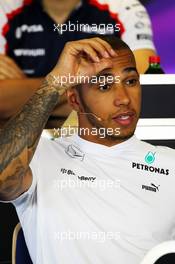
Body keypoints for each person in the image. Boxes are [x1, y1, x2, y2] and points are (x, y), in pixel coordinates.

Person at [1, 36, 173, 264]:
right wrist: (55, 82)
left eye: (131, 81)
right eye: (104, 85)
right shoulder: (41, 158)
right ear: (74, 100)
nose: (123, 99)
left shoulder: (170, 163)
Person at [0, 0, 156, 123]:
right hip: (18, 148)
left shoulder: (124, 7)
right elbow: (2, 102)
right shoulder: (4, 7)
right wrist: (91, 89)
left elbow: (144, 93)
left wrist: (28, 97)